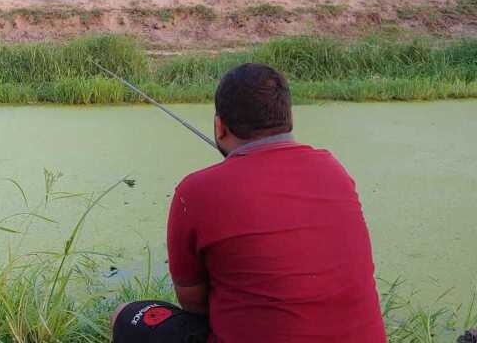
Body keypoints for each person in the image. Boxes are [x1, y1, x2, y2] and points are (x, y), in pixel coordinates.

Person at [111, 63, 387, 343]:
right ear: (288, 117)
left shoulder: (196, 190)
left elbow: (194, 304)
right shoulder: (334, 170)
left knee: (127, 315)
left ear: (220, 127)